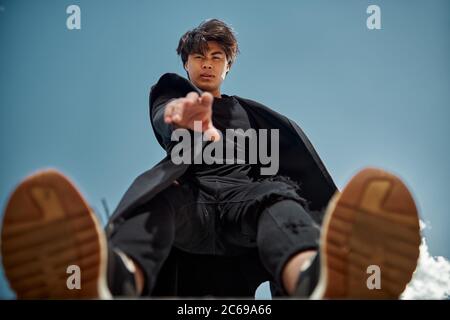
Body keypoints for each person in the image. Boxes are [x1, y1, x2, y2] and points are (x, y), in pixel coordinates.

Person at [0, 19, 421, 299]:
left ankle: (315, 281)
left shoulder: (255, 115)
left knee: (279, 199)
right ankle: (113, 281)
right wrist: (177, 118)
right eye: (199, 56)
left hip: (246, 204)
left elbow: (294, 164)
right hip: (192, 200)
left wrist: (335, 215)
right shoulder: (173, 93)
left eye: (216, 57)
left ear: (227, 66)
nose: (207, 63)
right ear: (186, 63)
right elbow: (163, 115)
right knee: (156, 201)